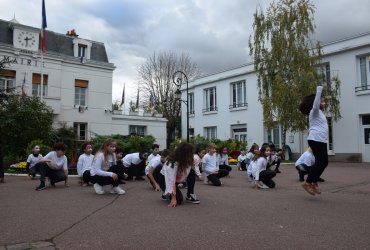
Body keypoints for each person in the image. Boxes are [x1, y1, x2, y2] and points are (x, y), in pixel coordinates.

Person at [299, 86, 328, 195]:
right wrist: (319, 91)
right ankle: (308, 182)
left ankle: (313, 182)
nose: (324, 103)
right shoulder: (314, 111)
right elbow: (316, 105)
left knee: (324, 162)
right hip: (316, 139)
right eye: (322, 101)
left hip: (321, 140)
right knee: (321, 162)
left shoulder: (320, 113)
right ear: (317, 102)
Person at [158, 142, 200, 207]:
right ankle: (165, 192)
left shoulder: (187, 159)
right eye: (190, 153)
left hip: (177, 179)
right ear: (184, 154)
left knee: (192, 171)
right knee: (179, 200)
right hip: (164, 179)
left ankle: (190, 195)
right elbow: (171, 181)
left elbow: (188, 172)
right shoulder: (171, 163)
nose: (192, 155)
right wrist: (173, 198)